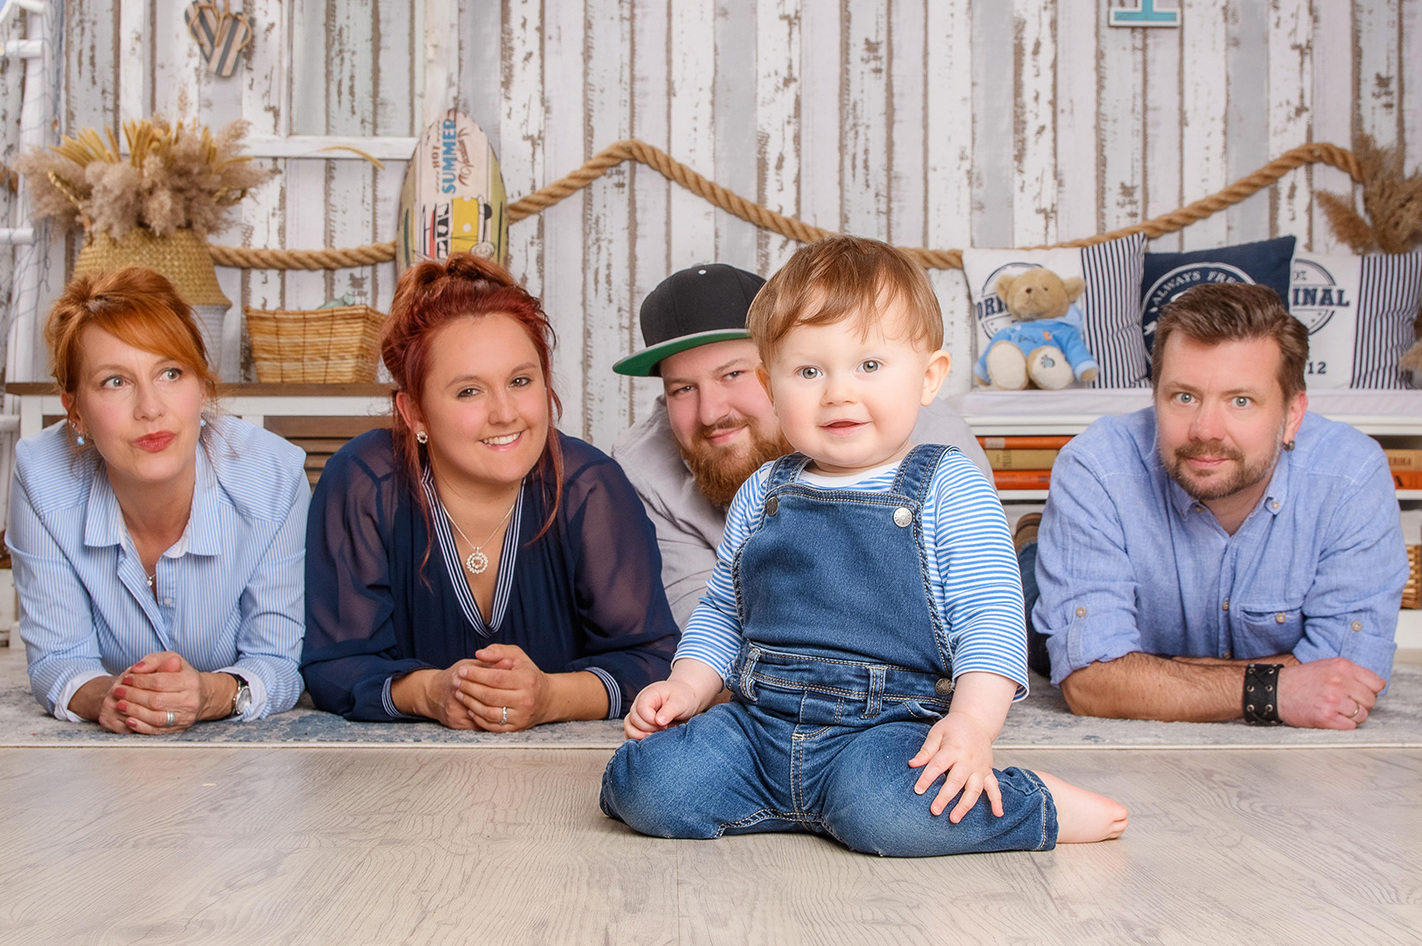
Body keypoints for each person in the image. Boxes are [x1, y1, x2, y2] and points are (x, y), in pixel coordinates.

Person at [600, 236, 1128, 856]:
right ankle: (810, 803)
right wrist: (687, 686)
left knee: (884, 809)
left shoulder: (946, 484)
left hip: (883, 728)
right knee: (648, 786)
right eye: (808, 371)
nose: (838, 393)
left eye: (869, 366)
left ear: (929, 376)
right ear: (774, 388)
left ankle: (1030, 803)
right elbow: (723, 613)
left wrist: (971, 725)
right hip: (760, 721)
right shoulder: (763, 490)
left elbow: (990, 620)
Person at [301, 253, 679, 729]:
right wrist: (428, 692)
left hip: (562, 776)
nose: (505, 413)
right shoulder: (364, 481)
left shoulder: (591, 487)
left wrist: (550, 697)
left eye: (520, 381)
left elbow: (654, 661)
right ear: (414, 412)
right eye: (468, 392)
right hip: (395, 779)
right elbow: (332, 666)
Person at [1025, 282, 1408, 729]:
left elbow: (1348, 680)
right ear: (1155, 399)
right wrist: (1275, 689)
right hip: (1048, 590)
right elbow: (1090, 683)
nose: (1206, 430)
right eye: (1184, 397)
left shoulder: (1351, 476)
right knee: (1034, 633)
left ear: (1292, 415)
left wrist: (1145, 674)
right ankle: (1032, 542)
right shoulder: (1097, 467)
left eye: (1240, 401)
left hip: (1145, 631)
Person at [7, 267, 308, 732]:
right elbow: (57, 659)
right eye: (115, 381)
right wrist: (111, 697)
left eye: (170, 372)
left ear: (202, 386)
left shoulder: (273, 476)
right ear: (75, 410)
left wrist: (210, 695)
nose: (150, 408)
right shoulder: (41, 474)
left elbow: (277, 661)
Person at [613, 263, 993, 627]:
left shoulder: (929, 436)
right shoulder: (644, 467)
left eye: (732, 374)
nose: (710, 413)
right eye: (682, 388)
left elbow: (983, 617)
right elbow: (705, 623)